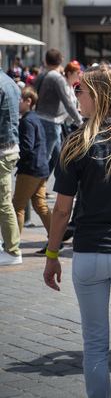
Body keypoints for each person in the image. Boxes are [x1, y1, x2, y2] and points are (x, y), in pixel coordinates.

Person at [41, 66, 111, 396]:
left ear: (98, 96)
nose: (76, 97)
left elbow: (61, 209)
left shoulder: (76, 141)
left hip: (88, 254)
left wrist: (52, 254)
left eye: (80, 90)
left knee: (95, 344)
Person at [36, 48, 82, 172]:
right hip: (51, 122)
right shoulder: (57, 78)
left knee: (55, 157)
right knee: (47, 157)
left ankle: (41, 186)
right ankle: (38, 189)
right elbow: (68, 102)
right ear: (61, 60)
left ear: (46, 61)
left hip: (40, 118)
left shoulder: (41, 75)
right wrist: (80, 121)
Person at [13, 87, 50, 243]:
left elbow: (27, 146)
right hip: (41, 168)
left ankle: (12, 243)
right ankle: (57, 237)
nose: (17, 103)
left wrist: (15, 155)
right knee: (40, 204)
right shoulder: (35, 118)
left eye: (19, 100)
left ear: (28, 101)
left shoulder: (27, 121)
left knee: (17, 206)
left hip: (30, 170)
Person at [0, 67, 21, 265]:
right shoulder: (10, 82)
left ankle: (13, 250)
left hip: (3, 150)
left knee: (4, 202)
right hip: (9, 147)